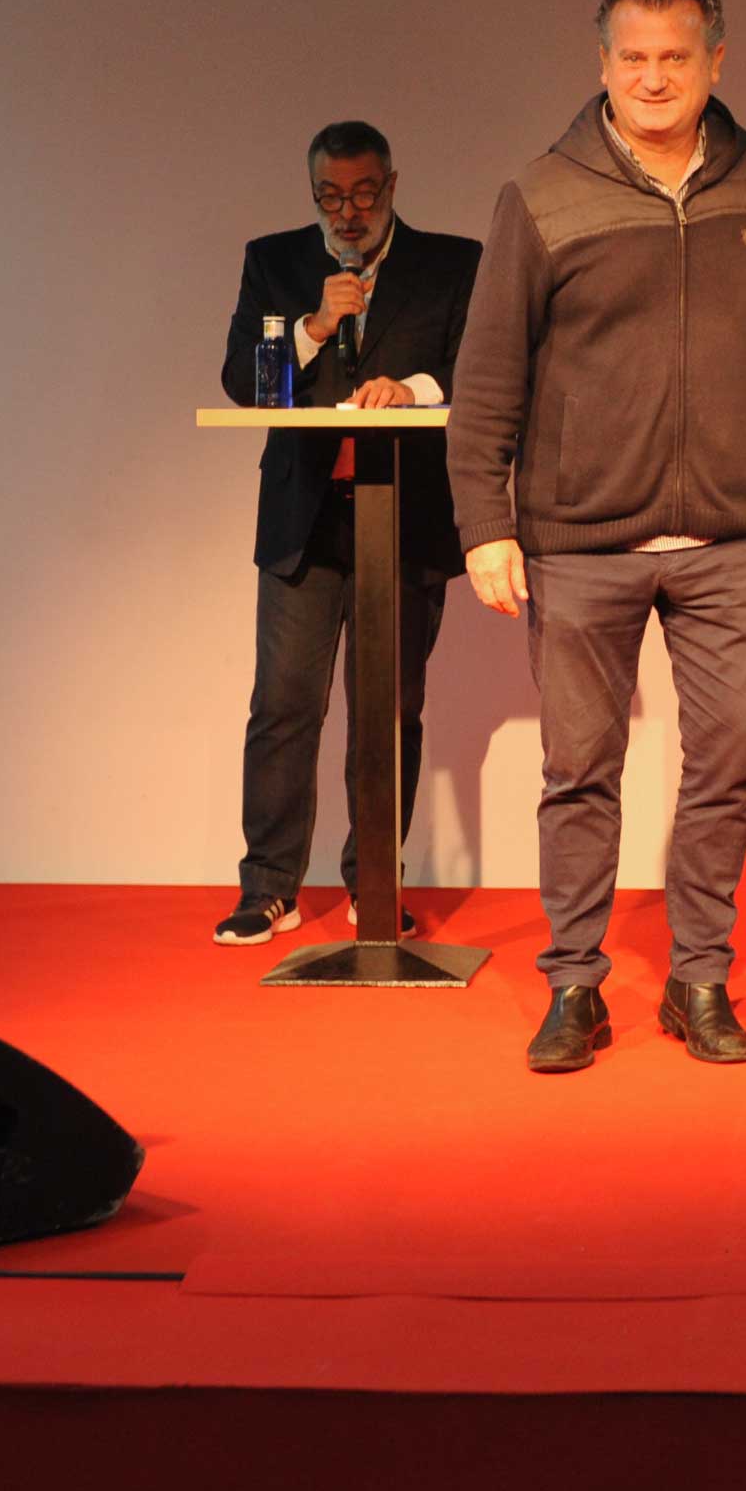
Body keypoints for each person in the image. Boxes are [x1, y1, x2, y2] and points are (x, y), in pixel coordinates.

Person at [448, 0, 746, 1072]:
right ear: (601, 64)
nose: (654, 77)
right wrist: (485, 523)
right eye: (633, 57)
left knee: (726, 766)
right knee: (579, 772)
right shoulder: (542, 193)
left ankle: (700, 978)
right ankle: (574, 985)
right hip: (581, 541)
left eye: (675, 57)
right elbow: (488, 372)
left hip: (729, 536)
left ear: (715, 64)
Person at [214, 122, 480, 947]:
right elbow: (242, 381)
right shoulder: (275, 261)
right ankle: (269, 888)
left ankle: (374, 882)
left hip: (404, 514)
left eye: (364, 193)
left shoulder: (451, 263)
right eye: (331, 196)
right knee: (284, 703)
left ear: (391, 186)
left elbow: (482, 368)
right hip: (306, 516)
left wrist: (416, 388)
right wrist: (313, 328)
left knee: (390, 709)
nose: (349, 212)